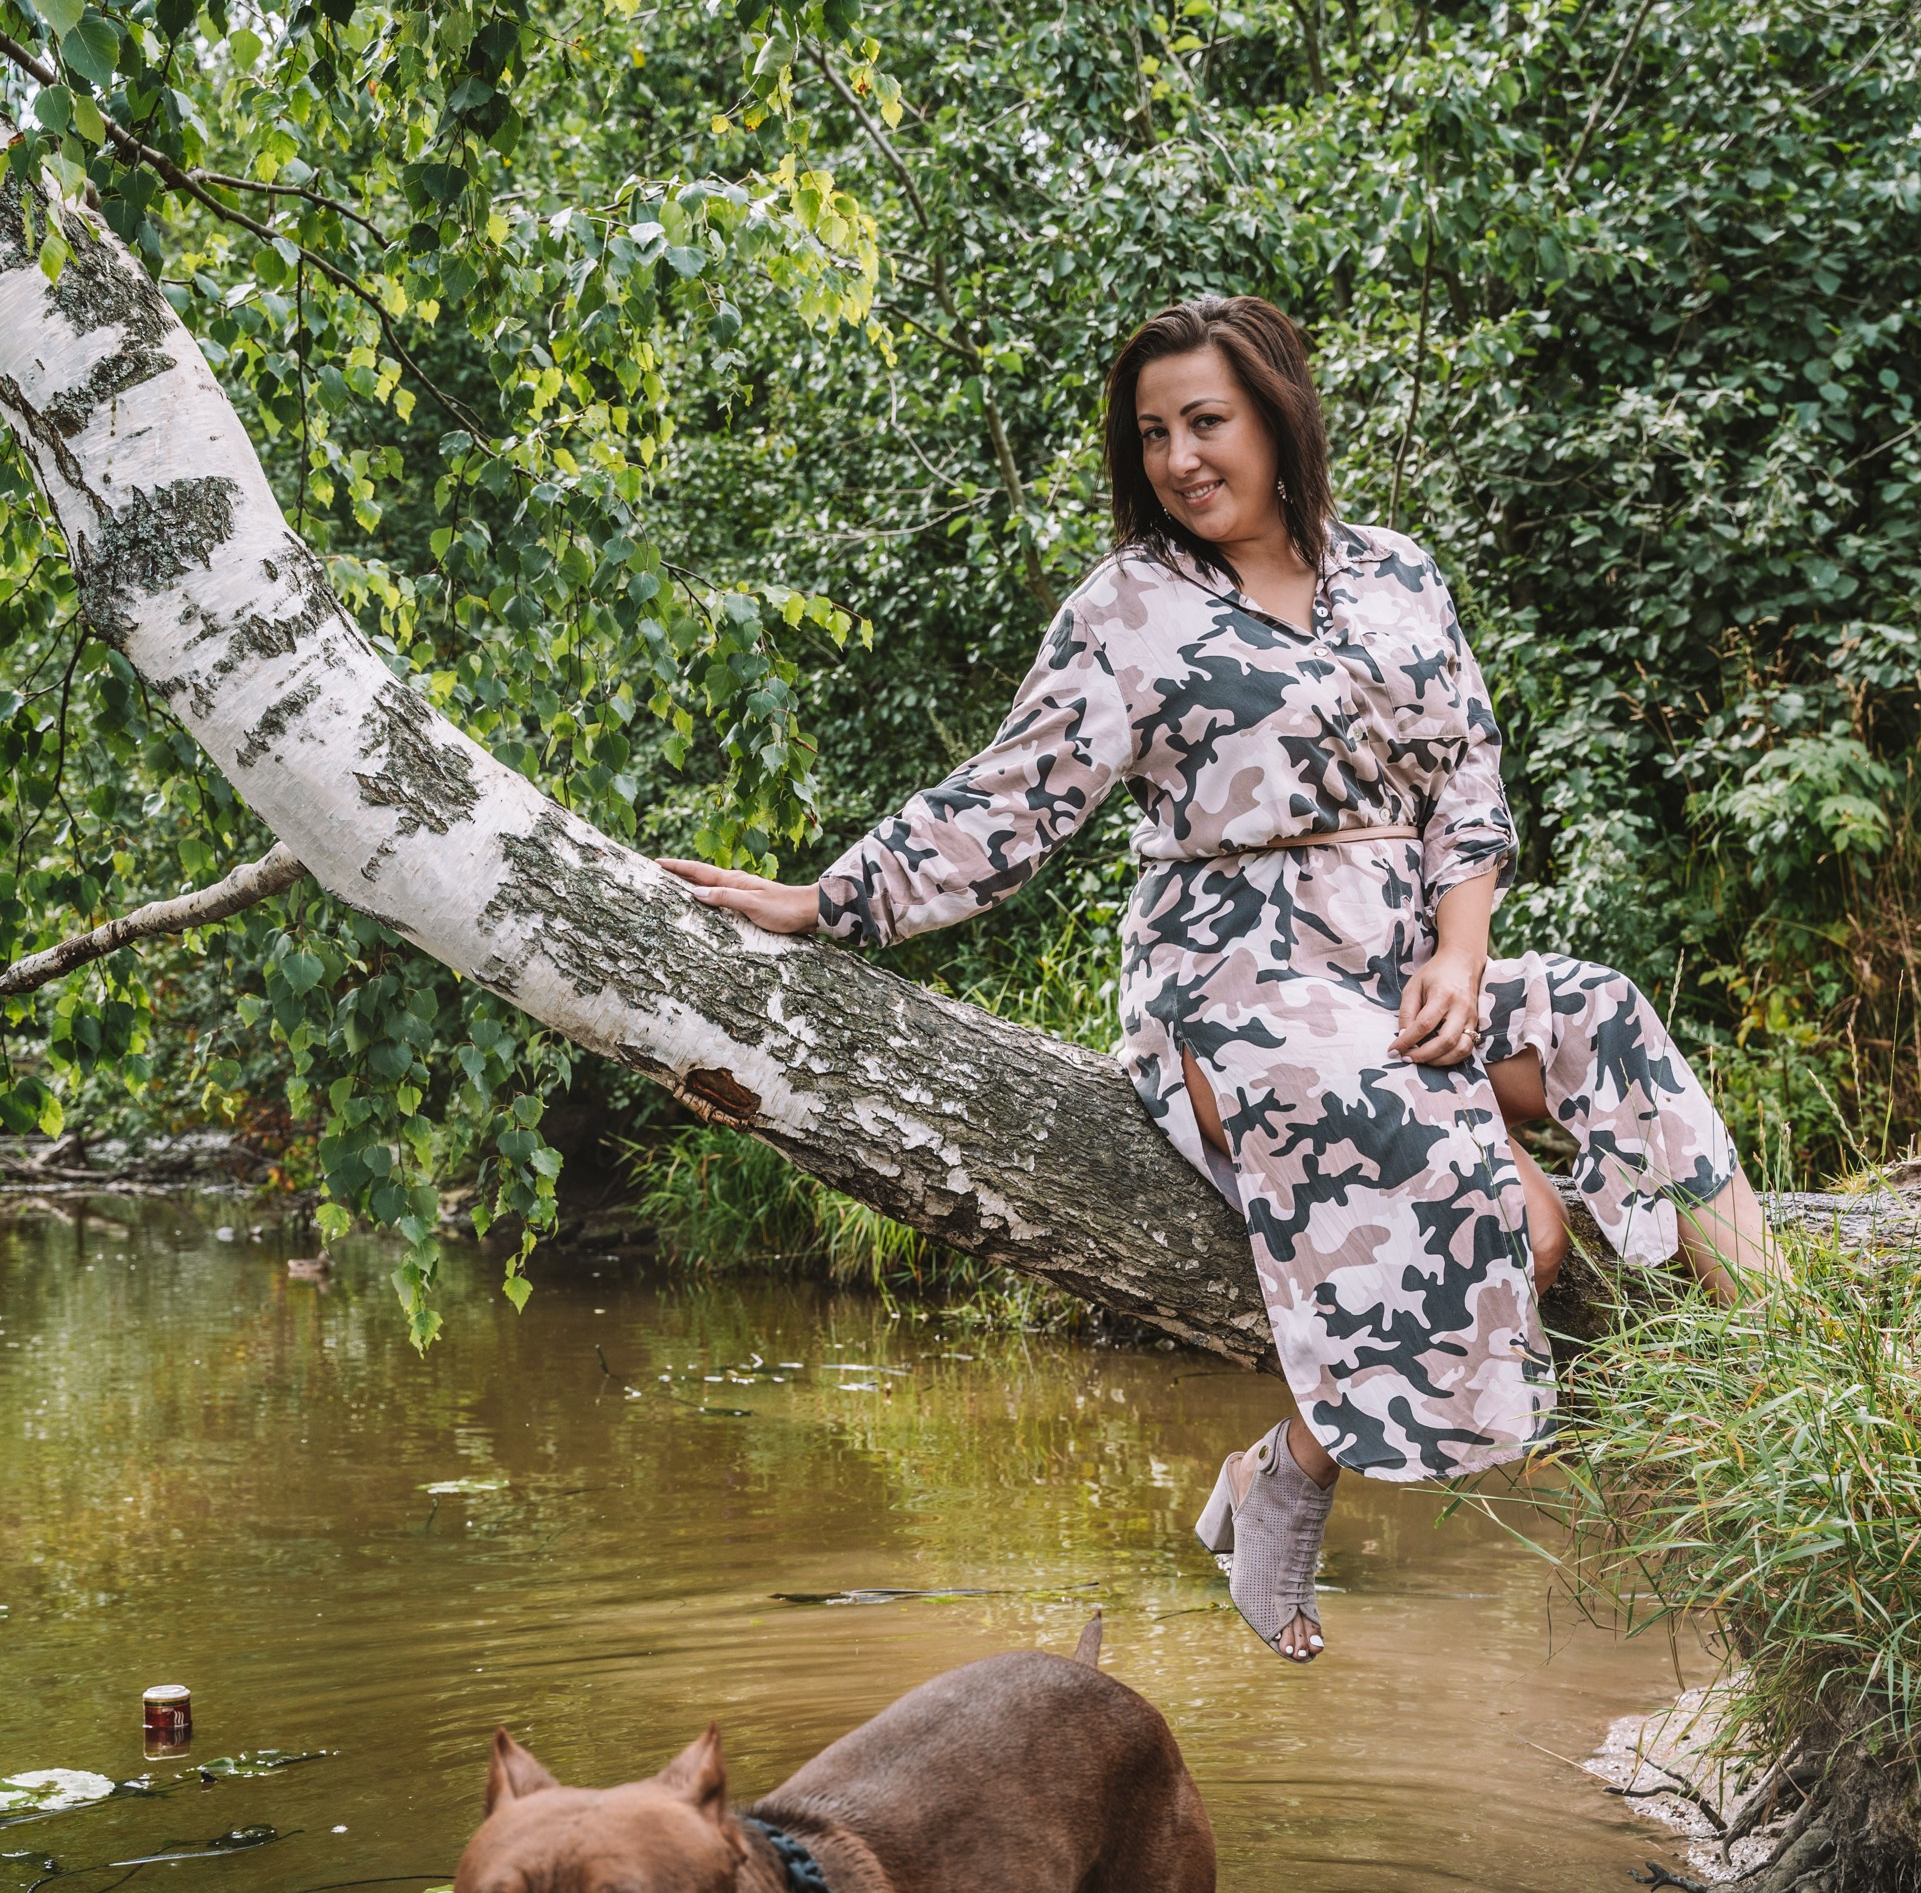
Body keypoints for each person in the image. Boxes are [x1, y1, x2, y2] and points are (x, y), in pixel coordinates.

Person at [661, 295, 1780, 1661]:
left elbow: (1469, 788)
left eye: (1207, 422)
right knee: (1523, 1223)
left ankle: (1793, 1369)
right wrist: (825, 899)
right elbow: (1008, 802)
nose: (1180, 459)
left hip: (1404, 953)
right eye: (1152, 434)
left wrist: (1465, 951)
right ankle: (1289, 1476)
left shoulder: (1399, 576)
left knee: (1599, 1010)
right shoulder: (1128, 609)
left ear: (1278, 415)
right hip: (1234, 973)